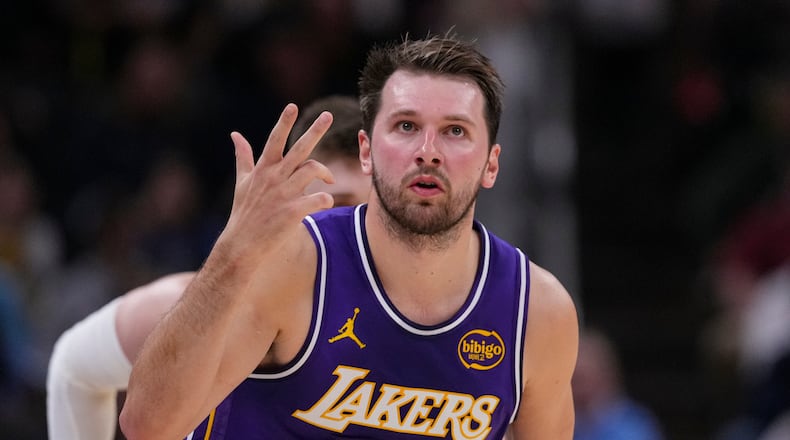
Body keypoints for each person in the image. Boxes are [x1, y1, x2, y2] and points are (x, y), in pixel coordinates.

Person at [119, 34, 579, 439]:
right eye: (406, 126)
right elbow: (146, 426)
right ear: (366, 151)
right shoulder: (289, 261)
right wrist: (232, 252)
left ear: (491, 164)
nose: (428, 152)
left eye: (455, 131)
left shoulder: (537, 312)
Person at [46, 95, 369, 440]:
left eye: (366, 212)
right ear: (286, 204)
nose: (351, 226)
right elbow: (73, 368)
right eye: (335, 206)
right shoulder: (191, 314)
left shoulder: (402, 331)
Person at [572, 328, 664, 440]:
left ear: (606, 375)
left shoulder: (634, 428)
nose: (575, 388)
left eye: (581, 378)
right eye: (572, 379)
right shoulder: (567, 422)